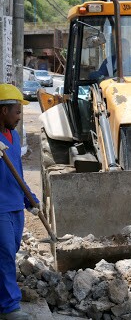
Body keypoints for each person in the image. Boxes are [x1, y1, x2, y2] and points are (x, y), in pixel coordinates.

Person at [0, 84, 40, 320]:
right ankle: (10, 307)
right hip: (0, 209)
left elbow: (19, 173)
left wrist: (30, 200)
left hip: (15, 206)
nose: (19, 116)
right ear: (4, 111)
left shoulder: (13, 136)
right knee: (5, 254)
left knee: (9, 252)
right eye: (17, 111)